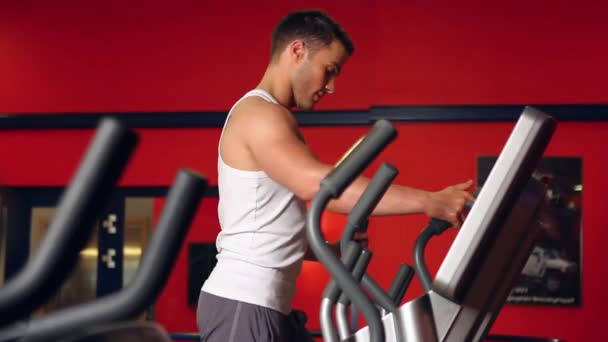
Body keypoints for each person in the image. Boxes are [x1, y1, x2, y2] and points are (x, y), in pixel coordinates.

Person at [196, 9, 474, 342]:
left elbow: (268, 222)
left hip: (266, 304)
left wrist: (329, 249)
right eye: (328, 71)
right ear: (297, 51)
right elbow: (323, 187)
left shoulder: (275, 118)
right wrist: (428, 201)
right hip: (244, 302)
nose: (331, 87)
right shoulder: (258, 114)